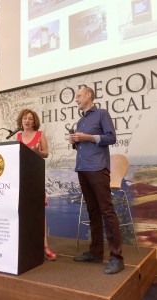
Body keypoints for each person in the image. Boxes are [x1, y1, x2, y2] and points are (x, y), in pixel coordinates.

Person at [69, 86, 124, 275]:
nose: (76, 99)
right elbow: (84, 146)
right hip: (82, 168)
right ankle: (96, 253)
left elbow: (111, 137)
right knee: (92, 211)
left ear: (88, 95)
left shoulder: (101, 113)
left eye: (78, 96)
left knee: (106, 211)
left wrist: (88, 137)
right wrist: (76, 142)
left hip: (98, 168)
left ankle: (117, 258)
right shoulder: (80, 120)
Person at [16, 108, 57, 261]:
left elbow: (46, 153)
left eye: (30, 118)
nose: (27, 121)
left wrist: (36, 151)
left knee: (40, 212)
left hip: (36, 176)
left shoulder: (40, 135)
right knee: (23, 212)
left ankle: (45, 246)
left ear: (34, 121)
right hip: (21, 178)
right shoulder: (18, 136)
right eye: (25, 118)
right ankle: (26, 245)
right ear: (21, 121)